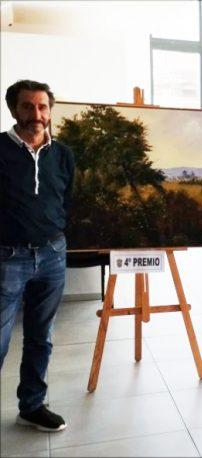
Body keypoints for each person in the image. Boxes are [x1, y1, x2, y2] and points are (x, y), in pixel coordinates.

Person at [0, 80, 74, 431]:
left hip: (52, 256)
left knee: (40, 337)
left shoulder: (63, 154)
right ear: (14, 110)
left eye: (42, 107)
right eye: (28, 106)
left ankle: (32, 406)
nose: (36, 114)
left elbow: (66, 200)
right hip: (7, 258)